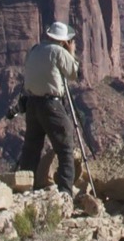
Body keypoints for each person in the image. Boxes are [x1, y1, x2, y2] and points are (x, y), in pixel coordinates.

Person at [17, 21, 81, 194]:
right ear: (63, 40)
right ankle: (65, 192)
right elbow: (74, 73)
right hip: (51, 105)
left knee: (31, 147)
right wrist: (72, 53)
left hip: (32, 104)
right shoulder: (59, 52)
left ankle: (24, 188)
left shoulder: (35, 49)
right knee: (65, 147)